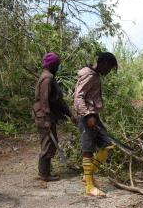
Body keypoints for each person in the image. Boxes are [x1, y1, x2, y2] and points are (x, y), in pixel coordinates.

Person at [74, 52, 118, 197]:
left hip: (94, 116)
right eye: (109, 68)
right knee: (88, 149)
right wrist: (87, 115)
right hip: (86, 117)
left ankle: (88, 174)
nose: (109, 72)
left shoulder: (95, 75)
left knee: (108, 145)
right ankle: (89, 186)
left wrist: (92, 115)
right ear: (103, 63)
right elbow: (78, 97)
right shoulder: (90, 75)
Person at [32, 52, 76, 181]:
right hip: (43, 116)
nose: (58, 67)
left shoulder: (49, 77)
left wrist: (70, 115)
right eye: (57, 65)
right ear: (52, 65)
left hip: (46, 115)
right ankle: (44, 174)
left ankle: (44, 172)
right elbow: (44, 100)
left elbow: (58, 101)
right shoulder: (47, 78)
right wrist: (46, 120)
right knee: (48, 142)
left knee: (50, 141)